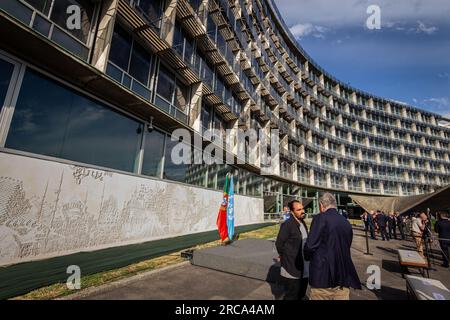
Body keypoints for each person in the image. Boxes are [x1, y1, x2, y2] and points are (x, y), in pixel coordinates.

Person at [304, 193, 361, 300]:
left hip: (323, 278)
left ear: (321, 205)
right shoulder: (345, 222)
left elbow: (310, 246)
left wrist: (306, 256)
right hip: (343, 276)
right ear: (334, 205)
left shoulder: (320, 218)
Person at [275, 200, 309, 300]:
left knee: (301, 294)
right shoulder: (287, 225)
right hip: (291, 268)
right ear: (292, 212)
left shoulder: (302, 222)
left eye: (302, 208)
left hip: (304, 267)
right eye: (299, 210)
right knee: (292, 296)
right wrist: (283, 256)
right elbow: (279, 243)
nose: (302, 211)